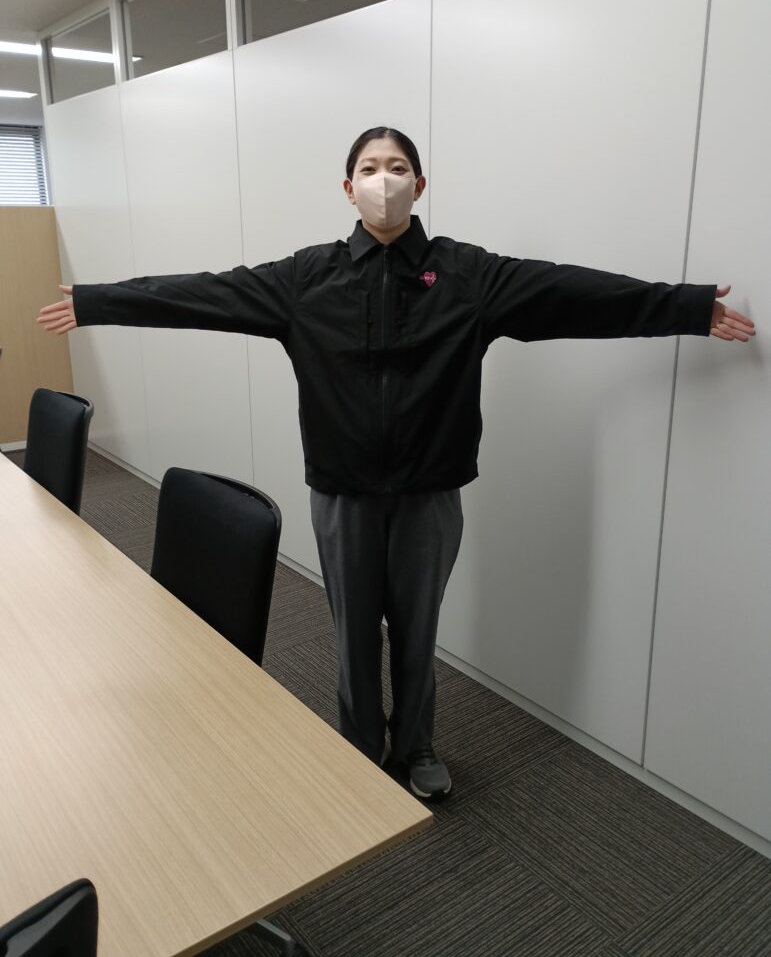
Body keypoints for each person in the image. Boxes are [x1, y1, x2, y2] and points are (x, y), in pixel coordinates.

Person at [38, 126, 755, 801]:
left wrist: (687, 307)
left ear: (420, 184)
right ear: (348, 188)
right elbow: (205, 292)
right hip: (342, 493)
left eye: (398, 167)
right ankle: (358, 745)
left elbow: (571, 292)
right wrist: (100, 301)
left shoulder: (468, 275)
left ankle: (416, 745)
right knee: (353, 631)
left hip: (429, 493)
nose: (385, 181)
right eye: (370, 169)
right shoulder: (305, 278)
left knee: (416, 631)